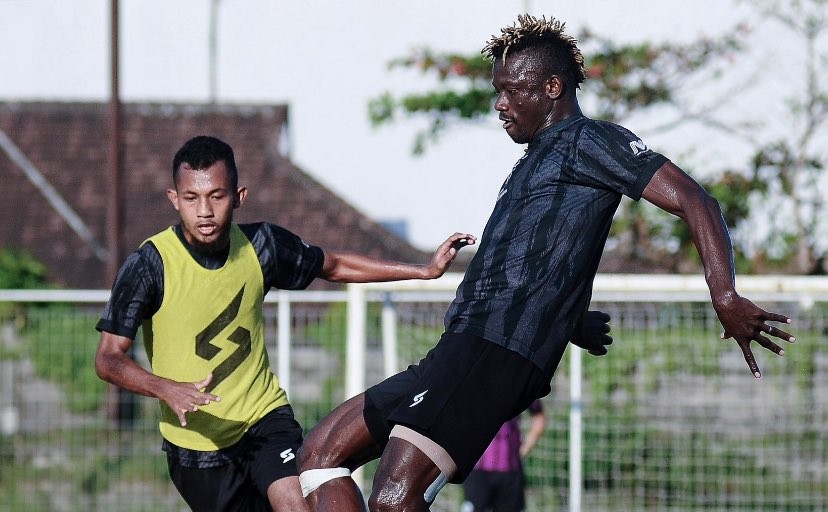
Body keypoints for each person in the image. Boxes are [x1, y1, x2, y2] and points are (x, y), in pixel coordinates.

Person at [296, 14, 796, 512]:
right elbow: (540, 257)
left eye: (512, 91)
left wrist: (724, 294)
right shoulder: (532, 161)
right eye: (498, 91)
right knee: (319, 456)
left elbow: (695, 198)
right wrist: (567, 318)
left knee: (393, 499)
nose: (500, 104)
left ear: (552, 87)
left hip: (494, 350)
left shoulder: (589, 140)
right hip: (464, 342)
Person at [93, 135, 476, 512]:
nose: (205, 211)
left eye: (217, 196)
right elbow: (108, 359)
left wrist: (422, 270)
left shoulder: (262, 246)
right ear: (175, 200)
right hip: (196, 447)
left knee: (297, 502)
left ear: (239, 196)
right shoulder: (149, 265)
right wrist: (167, 389)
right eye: (192, 199)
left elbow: (334, 265)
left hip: (264, 419)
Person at [461, 399, 546, 512]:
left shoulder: (519, 384)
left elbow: (539, 419)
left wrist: (524, 449)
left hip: (510, 471)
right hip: (477, 470)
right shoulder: (472, 385)